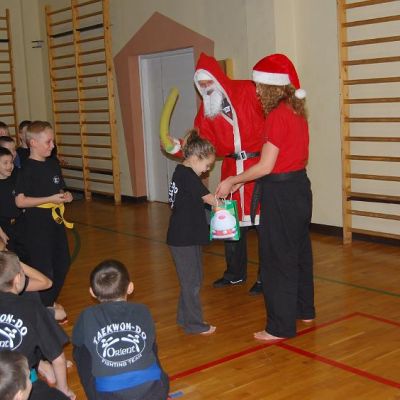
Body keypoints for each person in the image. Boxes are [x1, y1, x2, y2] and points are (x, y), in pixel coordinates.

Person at [216, 53, 315, 341]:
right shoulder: (296, 112)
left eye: (259, 86)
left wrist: (233, 180)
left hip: (281, 193)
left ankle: (279, 327)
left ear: (272, 87)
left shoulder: (276, 116)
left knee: (276, 259)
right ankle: (305, 310)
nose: (257, 91)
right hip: (299, 188)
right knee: (299, 252)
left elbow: (265, 166)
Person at [165, 53, 265, 295]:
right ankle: (235, 274)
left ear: (219, 79)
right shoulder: (206, 112)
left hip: (258, 167)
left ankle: (266, 277)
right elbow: (198, 145)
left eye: (209, 82)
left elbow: (271, 115)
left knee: (265, 225)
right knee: (229, 221)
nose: (206, 88)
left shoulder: (248, 90)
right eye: (201, 85)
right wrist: (177, 146)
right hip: (231, 167)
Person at [72, 259, 170, 400]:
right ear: (130, 288)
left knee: (80, 348)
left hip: (108, 396)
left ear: (92, 292)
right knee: (149, 343)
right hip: (155, 390)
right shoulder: (143, 310)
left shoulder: (86, 315)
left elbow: (77, 342)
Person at [0, 251, 75, 399]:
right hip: (18, 382)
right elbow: (58, 359)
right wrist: (63, 389)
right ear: (18, 278)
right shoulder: (31, 308)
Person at [15, 121, 73, 309]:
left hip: (55, 223)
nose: (52, 146)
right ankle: (44, 307)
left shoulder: (53, 164)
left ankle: (47, 303)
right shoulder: (26, 169)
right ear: (33, 143)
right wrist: (49, 199)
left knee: (63, 263)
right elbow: (20, 201)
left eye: (53, 141)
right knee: (44, 268)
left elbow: (59, 189)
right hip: (36, 227)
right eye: (48, 142)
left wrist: (65, 196)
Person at [167, 129, 217, 334]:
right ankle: (194, 324)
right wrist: (223, 204)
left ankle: (184, 318)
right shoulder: (188, 176)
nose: (207, 170)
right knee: (192, 282)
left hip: (187, 236)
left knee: (192, 279)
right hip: (183, 238)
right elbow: (209, 199)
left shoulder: (182, 172)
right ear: (196, 158)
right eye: (207, 165)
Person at [0, 147, 24, 256]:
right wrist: (1, 233)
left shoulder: (16, 177)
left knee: (24, 253)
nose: (10, 166)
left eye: (11, 162)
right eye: (5, 163)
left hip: (20, 223)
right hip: (4, 227)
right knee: (10, 257)